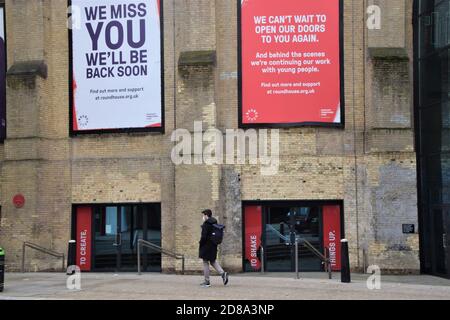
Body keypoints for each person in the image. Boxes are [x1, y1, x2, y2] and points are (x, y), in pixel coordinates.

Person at [199, 209, 229, 288]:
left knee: (205, 262)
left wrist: (200, 243)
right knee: (212, 261)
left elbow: (204, 237)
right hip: (213, 245)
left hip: (206, 246)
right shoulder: (214, 223)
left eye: (203, 215)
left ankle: (207, 281)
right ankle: (223, 273)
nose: (203, 217)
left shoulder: (206, 224)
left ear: (206, 215)